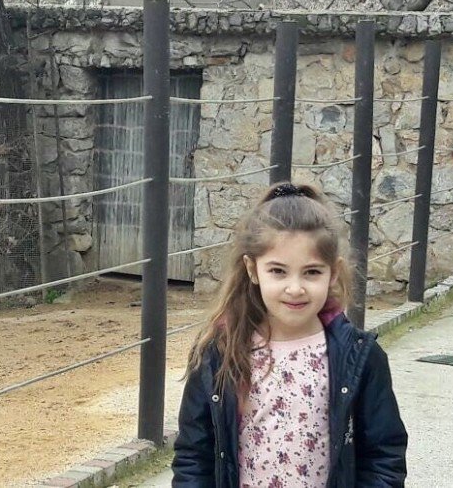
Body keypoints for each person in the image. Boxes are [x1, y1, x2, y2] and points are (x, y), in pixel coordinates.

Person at [173, 182, 407, 488]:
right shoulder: (219, 352)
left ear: (333, 272)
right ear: (253, 269)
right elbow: (194, 453)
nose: (295, 288)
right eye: (278, 271)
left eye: (311, 272)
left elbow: (383, 455)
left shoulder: (360, 357)